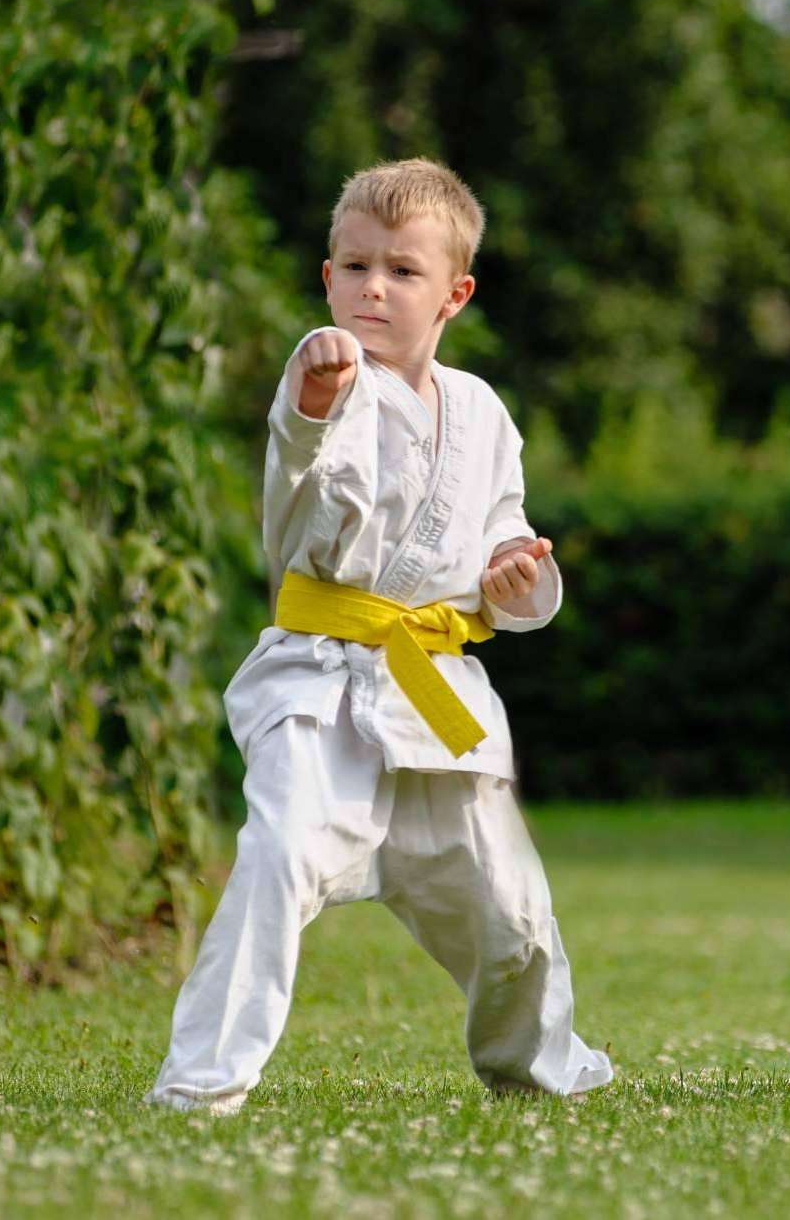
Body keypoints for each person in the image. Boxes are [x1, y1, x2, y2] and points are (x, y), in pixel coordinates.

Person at [147, 158, 613, 1113]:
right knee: (277, 859)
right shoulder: (324, 376)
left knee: (512, 915)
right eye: (354, 265)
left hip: (433, 693)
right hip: (319, 685)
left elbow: (500, 527)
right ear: (327, 277)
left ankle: (537, 1064)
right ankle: (201, 1086)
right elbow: (303, 489)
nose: (373, 287)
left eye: (403, 271)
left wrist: (511, 573)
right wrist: (313, 405)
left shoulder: (480, 410)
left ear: (455, 293)